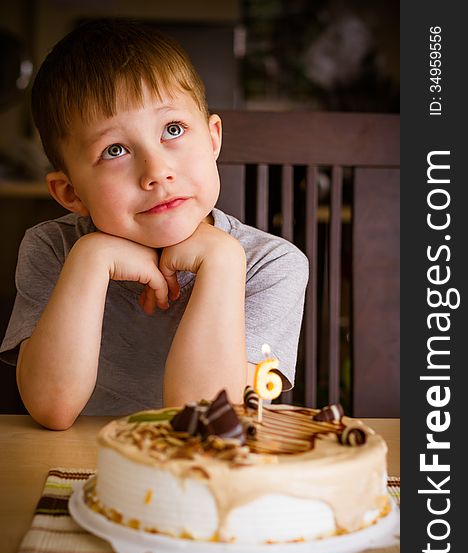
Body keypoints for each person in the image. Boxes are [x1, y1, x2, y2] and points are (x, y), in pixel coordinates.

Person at [0, 19, 309, 430]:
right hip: (84, 470)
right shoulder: (52, 249)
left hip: (207, 481)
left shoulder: (269, 263)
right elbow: (51, 409)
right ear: (71, 194)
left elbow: (204, 423)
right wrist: (90, 258)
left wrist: (221, 262)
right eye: (115, 150)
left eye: (173, 130)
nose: (156, 171)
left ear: (212, 138)